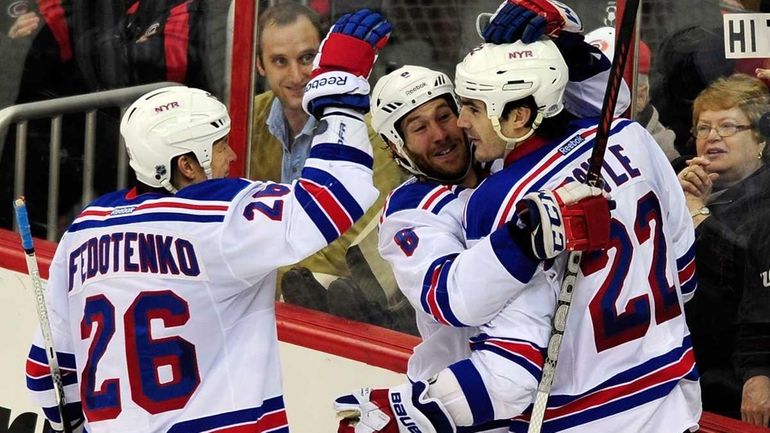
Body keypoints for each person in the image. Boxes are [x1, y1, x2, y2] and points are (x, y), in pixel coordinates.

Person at [335, 3, 699, 432]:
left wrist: (563, 41)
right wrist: (523, 238)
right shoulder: (410, 211)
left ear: (516, 115)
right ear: (397, 146)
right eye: (417, 127)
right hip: (669, 402)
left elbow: (512, 372)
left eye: (452, 112)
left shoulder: (504, 190)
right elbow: (451, 298)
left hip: (570, 413)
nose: (449, 131)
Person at [23, 9, 389, 432]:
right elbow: (333, 197)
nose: (232, 156)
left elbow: (45, 371)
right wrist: (341, 89)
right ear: (187, 166)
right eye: (218, 147)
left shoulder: (84, 232)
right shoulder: (219, 218)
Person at [251, 2, 404, 310]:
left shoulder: (367, 132)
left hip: (333, 306)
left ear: (323, 56)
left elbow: (353, 248)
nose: (296, 76)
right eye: (280, 61)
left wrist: (260, 278)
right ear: (260, 66)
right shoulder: (247, 118)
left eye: (307, 58)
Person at [677, 73, 770, 427]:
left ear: (759, 138)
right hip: (685, 371)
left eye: (728, 126)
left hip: (735, 379)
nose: (712, 137)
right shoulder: (679, 181)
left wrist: (698, 217)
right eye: (703, 127)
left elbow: (747, 273)